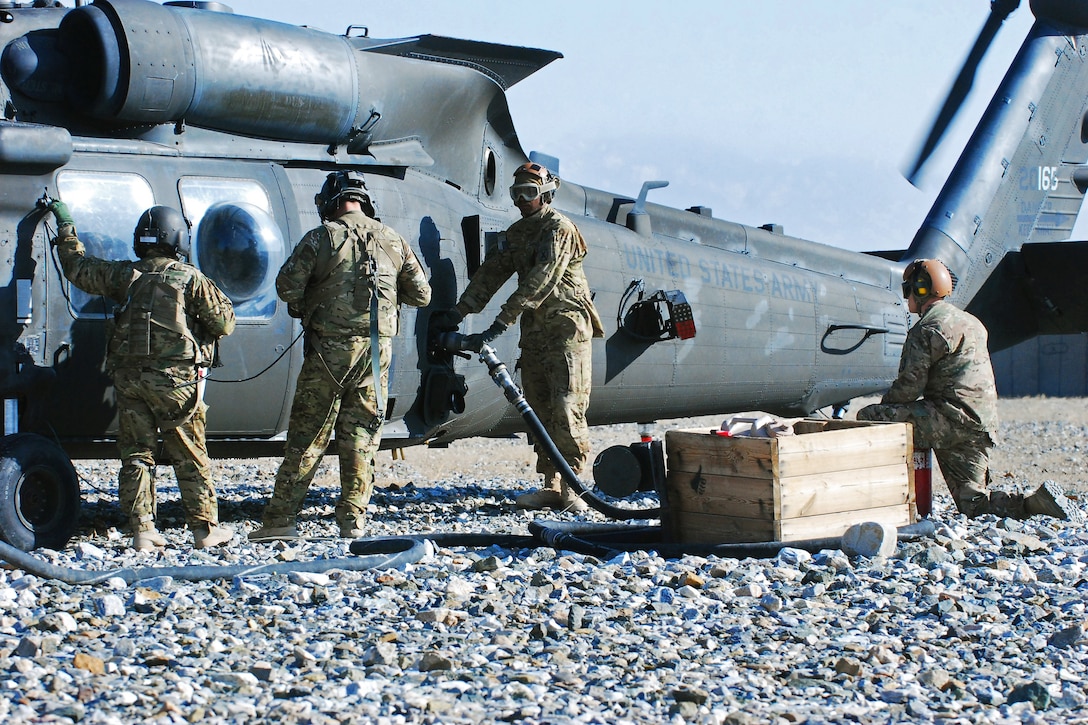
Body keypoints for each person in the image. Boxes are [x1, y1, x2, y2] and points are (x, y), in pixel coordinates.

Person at [250, 171, 431, 541]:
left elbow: (286, 287)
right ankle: (353, 521)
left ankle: (280, 520)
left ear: (330, 202)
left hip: (327, 356)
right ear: (364, 201)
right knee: (361, 437)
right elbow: (422, 294)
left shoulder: (321, 238)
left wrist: (312, 301)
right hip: (374, 358)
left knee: (308, 436)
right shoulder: (393, 240)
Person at [47, 201, 237, 550]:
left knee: (136, 454)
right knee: (189, 453)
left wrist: (66, 227)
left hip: (129, 377)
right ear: (178, 238)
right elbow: (224, 323)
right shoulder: (190, 278)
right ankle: (205, 530)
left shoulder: (124, 275)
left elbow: (77, 268)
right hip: (175, 382)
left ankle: (143, 531)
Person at [858, 258, 1082, 522]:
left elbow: (909, 387)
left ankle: (879, 501)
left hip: (947, 418)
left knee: (869, 417)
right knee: (973, 503)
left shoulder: (926, 328)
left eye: (909, 290)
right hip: (980, 423)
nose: (907, 297)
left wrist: (886, 408)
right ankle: (1034, 504)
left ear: (920, 289)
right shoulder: (972, 322)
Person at [436, 162, 605, 512]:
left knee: (566, 405)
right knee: (539, 406)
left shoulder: (559, 229)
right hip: (536, 331)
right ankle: (552, 484)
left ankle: (573, 485)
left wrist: (499, 323)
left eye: (529, 193)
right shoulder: (517, 233)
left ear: (545, 194)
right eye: (516, 194)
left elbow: (540, 280)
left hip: (566, 330)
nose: (522, 200)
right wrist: (459, 311)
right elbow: (490, 274)